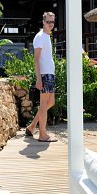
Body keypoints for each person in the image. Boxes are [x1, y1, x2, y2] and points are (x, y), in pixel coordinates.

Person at [25, 12, 57, 142]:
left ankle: (32, 127)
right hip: (44, 75)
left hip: (49, 74)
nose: (51, 24)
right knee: (44, 105)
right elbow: (36, 59)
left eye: (52, 22)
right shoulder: (39, 37)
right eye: (48, 22)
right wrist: (38, 78)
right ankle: (42, 134)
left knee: (50, 102)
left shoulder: (46, 36)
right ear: (43, 22)